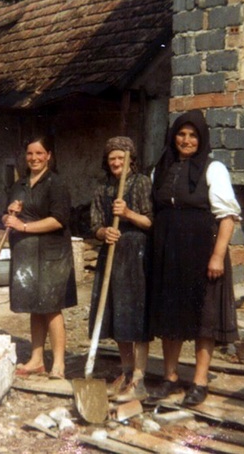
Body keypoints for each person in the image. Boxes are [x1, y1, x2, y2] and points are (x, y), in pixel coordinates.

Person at [148, 110, 241, 406]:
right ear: (173, 137)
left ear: (201, 139)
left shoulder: (214, 170)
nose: (186, 140)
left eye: (192, 135)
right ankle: (170, 377)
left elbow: (227, 218)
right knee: (169, 314)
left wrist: (217, 255)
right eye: (181, 134)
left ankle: (200, 382)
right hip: (168, 251)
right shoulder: (160, 169)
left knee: (204, 317)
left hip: (202, 252)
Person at [3, 136, 77, 379]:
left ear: (48, 155)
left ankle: (58, 364)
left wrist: (23, 227)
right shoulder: (20, 185)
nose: (34, 158)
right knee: (35, 306)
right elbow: (6, 215)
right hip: (26, 253)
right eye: (30, 154)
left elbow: (58, 219)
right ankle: (36, 360)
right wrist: (8, 217)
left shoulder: (56, 183)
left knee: (51, 306)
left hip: (51, 253)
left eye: (39, 153)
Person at [89, 137, 153, 402]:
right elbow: (94, 224)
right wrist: (104, 232)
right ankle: (126, 372)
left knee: (136, 315)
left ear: (131, 160)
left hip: (137, 254)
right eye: (111, 158)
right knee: (117, 314)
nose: (115, 162)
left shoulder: (141, 183)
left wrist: (127, 214)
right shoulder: (102, 188)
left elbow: (150, 221)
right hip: (113, 254)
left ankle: (139, 377)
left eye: (121, 158)